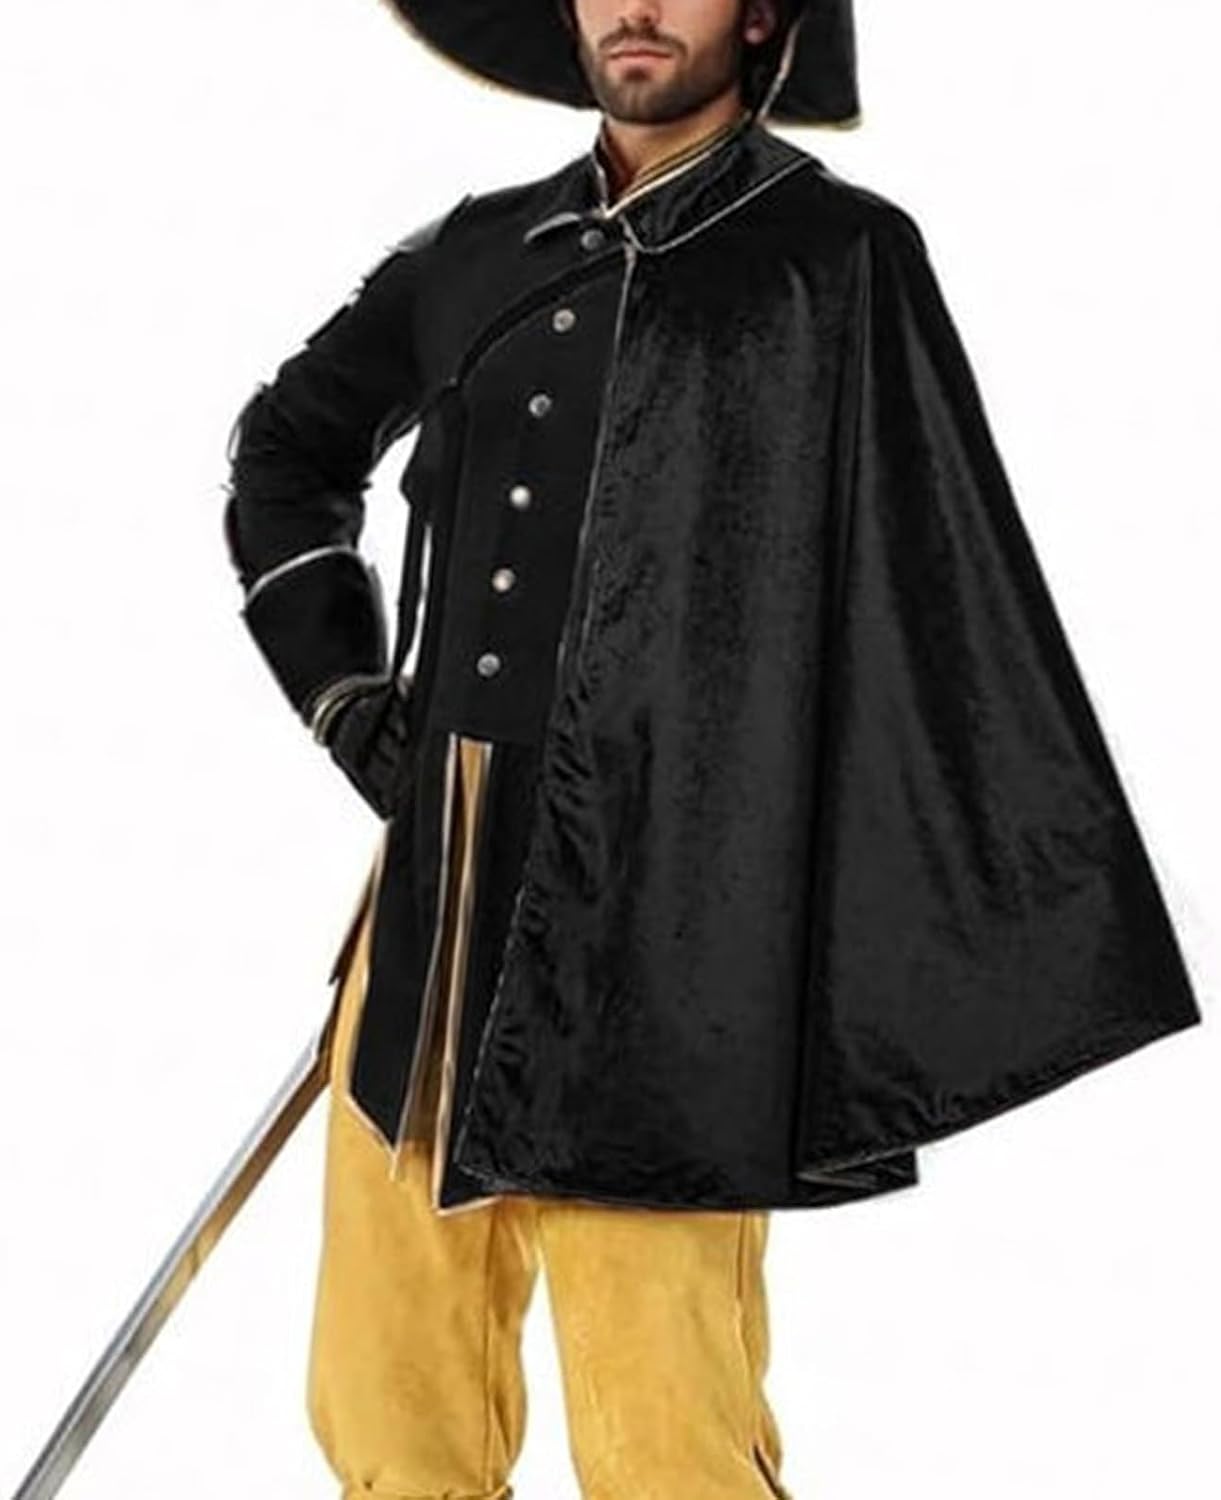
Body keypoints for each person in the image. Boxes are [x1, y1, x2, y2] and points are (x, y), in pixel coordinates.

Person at [221, 2, 1202, 1496]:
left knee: (663, 1426)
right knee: (386, 1403)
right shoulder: (474, 251)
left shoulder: (834, 261)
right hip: (433, 907)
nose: (634, 6)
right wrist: (346, 694)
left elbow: (931, 592)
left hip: (670, 940)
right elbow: (284, 450)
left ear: (758, 13)